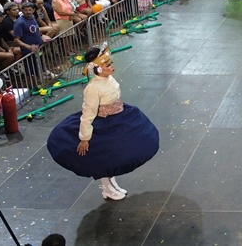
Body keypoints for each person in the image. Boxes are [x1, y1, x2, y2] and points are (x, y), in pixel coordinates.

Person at [47, 45, 160, 200]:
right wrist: (84, 137)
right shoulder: (93, 88)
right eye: (107, 65)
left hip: (119, 117)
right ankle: (106, 187)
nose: (112, 67)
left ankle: (111, 182)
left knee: (118, 153)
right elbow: (88, 112)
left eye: (110, 63)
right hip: (103, 123)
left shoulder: (108, 78)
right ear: (98, 69)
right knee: (105, 157)